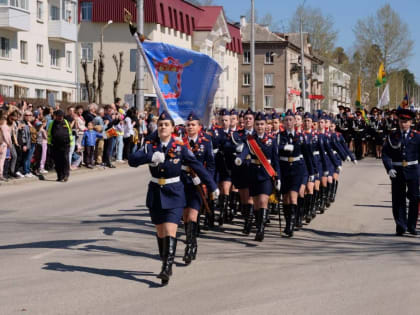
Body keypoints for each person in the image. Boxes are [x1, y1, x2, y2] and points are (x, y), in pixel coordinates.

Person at [128, 111, 219, 286]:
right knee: (160, 232)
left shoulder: (180, 148)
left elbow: (198, 166)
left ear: (172, 129)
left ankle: (166, 267)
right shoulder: (150, 146)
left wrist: (212, 186)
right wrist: (149, 156)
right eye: (160, 125)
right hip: (155, 192)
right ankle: (165, 257)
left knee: (170, 230)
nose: (163, 127)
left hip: (175, 192)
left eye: (166, 125)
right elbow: (132, 160)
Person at [238, 112, 280, 241]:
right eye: (257, 124)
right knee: (256, 203)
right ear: (254, 126)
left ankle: (261, 229)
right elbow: (245, 150)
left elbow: (275, 159)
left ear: (266, 125)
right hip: (253, 173)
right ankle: (258, 223)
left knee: (263, 200)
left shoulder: (271, 140)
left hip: (266, 174)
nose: (260, 126)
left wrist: (278, 177)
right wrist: (240, 158)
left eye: (262, 124)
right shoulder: (250, 139)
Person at [181, 111, 215, 264]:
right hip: (182, 183)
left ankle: (190, 247)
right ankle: (192, 242)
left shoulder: (206, 142)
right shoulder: (180, 142)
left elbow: (211, 165)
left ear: (199, 126)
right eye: (188, 125)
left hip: (198, 183)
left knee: (193, 215)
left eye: (193, 125)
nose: (190, 127)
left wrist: (206, 182)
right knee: (185, 216)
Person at [382, 108, 420, 236]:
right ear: (398, 122)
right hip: (397, 171)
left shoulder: (417, 136)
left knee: (414, 199)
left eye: (406, 121)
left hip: (413, 170)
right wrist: (389, 168)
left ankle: (412, 226)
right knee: (398, 199)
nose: (403, 124)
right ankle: (401, 225)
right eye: (401, 121)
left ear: (411, 123)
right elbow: (386, 154)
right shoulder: (392, 136)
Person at [48, 110, 73, 182]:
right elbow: (49, 134)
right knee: (57, 161)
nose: (60, 117)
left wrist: (70, 143)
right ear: (56, 116)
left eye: (61, 116)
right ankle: (60, 176)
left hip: (66, 145)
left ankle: (66, 175)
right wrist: (49, 144)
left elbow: (70, 133)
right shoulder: (52, 123)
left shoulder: (66, 122)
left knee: (65, 159)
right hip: (55, 145)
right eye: (58, 116)